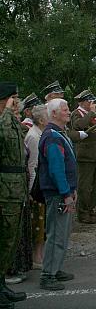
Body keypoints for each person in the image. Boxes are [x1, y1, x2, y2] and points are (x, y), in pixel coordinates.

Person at [38, 98, 77, 290]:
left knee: (62, 233)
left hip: (63, 192)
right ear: (53, 113)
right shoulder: (52, 137)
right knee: (56, 233)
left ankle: (55, 268)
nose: (69, 112)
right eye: (65, 109)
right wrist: (66, 193)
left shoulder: (58, 134)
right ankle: (48, 275)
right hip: (57, 194)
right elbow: (56, 169)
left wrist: (72, 189)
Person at [0, 83, 28, 306]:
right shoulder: (3, 121)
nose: (16, 102)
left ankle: (1, 284)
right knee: (2, 240)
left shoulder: (12, 121)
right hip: (4, 191)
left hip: (16, 190)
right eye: (12, 98)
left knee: (10, 241)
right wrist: (6, 113)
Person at [69, 90, 96, 224]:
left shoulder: (93, 115)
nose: (91, 103)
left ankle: (90, 208)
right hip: (86, 156)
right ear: (82, 102)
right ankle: (82, 212)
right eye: (89, 101)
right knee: (85, 185)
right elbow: (79, 126)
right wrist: (90, 113)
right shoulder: (77, 113)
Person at [25, 104, 47, 270]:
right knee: (37, 223)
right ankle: (36, 256)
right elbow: (32, 165)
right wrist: (32, 190)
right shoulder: (33, 136)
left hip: (41, 183)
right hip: (36, 186)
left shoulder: (41, 134)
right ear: (40, 120)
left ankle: (40, 253)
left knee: (42, 222)